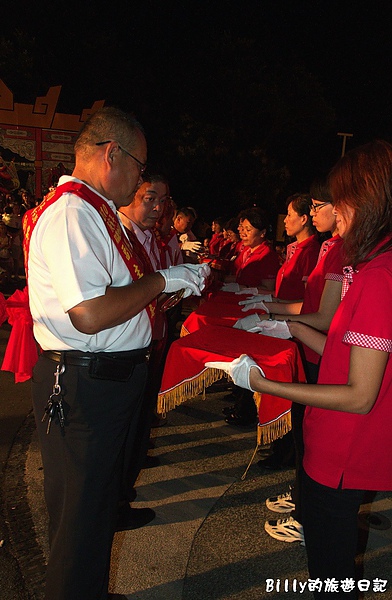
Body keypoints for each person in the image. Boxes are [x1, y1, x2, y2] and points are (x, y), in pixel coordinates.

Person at [24, 106, 210, 600]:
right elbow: (87, 313)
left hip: (104, 378)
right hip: (85, 382)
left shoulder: (94, 212)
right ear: (113, 154)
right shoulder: (72, 213)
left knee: (96, 508)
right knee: (81, 518)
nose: (141, 178)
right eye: (141, 166)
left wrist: (158, 291)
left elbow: (115, 297)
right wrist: (161, 280)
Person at [206, 139, 392, 599]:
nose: (329, 212)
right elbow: (338, 345)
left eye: (339, 201)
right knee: (329, 560)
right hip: (336, 442)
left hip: (344, 450)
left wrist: (264, 383)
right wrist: (283, 325)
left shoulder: (378, 276)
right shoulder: (375, 266)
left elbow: (358, 393)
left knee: (331, 571)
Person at [272, 193, 320, 301]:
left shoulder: (311, 252)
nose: (285, 220)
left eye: (289, 215)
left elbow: (308, 300)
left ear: (303, 219)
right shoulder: (295, 249)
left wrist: (273, 306)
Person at [229, 206, 280, 290]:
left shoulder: (267, 256)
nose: (243, 234)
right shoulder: (247, 251)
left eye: (248, 230)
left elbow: (268, 287)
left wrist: (241, 288)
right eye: (242, 229)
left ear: (262, 233)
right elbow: (238, 278)